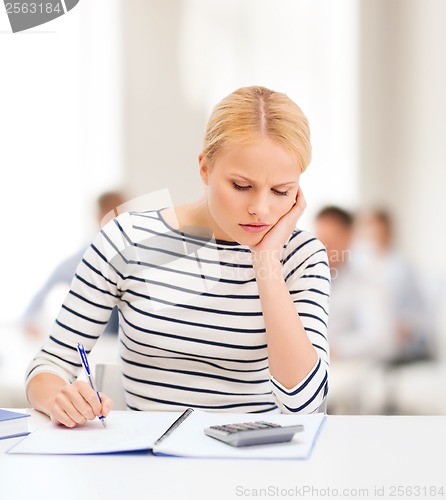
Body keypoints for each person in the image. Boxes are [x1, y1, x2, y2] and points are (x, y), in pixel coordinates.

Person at [26, 86, 330, 427]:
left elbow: (303, 401)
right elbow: (50, 364)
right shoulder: (129, 238)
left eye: (281, 191)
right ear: (204, 168)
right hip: (148, 464)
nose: (260, 209)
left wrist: (266, 262)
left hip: (254, 462)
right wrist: (58, 398)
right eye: (241, 186)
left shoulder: (302, 256)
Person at [22, 191, 126, 339]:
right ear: (99, 216)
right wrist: (30, 320)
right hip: (99, 346)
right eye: (111, 212)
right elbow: (40, 296)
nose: (117, 218)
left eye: (120, 212)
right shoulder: (83, 259)